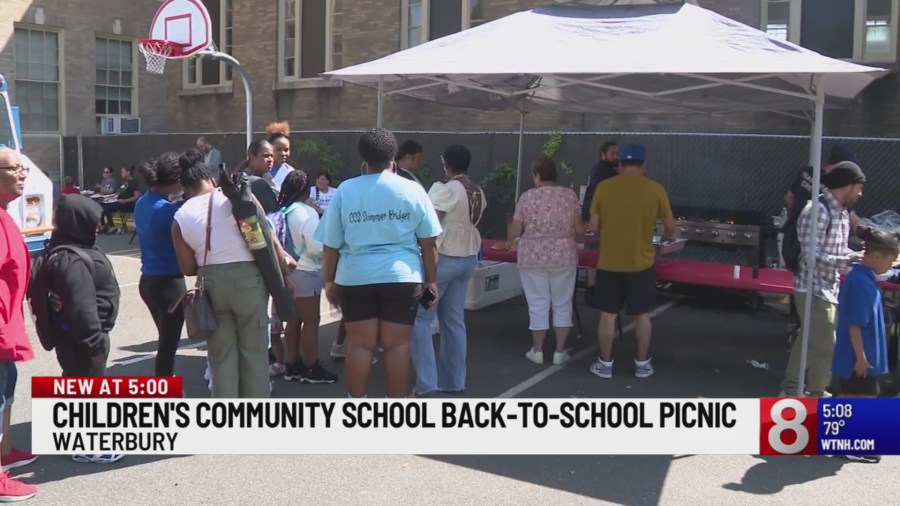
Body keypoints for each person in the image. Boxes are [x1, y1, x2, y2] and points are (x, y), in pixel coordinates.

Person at [315, 128, 442, 398]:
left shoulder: (345, 190)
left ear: (364, 160)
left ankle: (357, 403)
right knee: (397, 345)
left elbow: (330, 244)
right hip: (402, 276)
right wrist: (431, 280)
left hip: (354, 276)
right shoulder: (412, 190)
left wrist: (329, 279)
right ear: (393, 157)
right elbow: (429, 243)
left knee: (360, 345)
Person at [172, 155, 284, 398]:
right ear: (211, 179)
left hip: (211, 285)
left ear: (186, 188)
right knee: (254, 355)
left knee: (221, 358)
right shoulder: (239, 196)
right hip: (249, 281)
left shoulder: (180, 216)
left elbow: (188, 268)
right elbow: (266, 236)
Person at [39, 194, 122, 464]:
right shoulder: (69, 259)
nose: (96, 228)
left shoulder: (72, 247)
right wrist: (95, 342)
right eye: (92, 222)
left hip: (78, 337)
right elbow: (81, 306)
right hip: (83, 338)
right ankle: (91, 447)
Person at [588, 144, 675, 379]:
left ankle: (605, 365)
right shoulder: (655, 189)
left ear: (619, 164)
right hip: (641, 263)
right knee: (642, 314)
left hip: (609, 262)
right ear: (644, 165)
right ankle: (642, 364)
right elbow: (670, 228)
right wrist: (662, 243)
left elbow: (593, 227)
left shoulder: (604, 188)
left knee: (608, 314)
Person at [780, 161, 866, 398]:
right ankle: (818, 393)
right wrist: (848, 262)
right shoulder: (817, 211)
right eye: (858, 188)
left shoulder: (839, 213)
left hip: (827, 288)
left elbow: (836, 250)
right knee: (825, 345)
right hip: (813, 288)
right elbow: (811, 256)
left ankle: (790, 388)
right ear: (846, 186)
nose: (860, 194)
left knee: (806, 341)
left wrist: (857, 256)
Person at [410, 145, 485, 396]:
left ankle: (427, 383)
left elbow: (431, 221)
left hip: (442, 264)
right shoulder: (477, 191)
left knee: (422, 319)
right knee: (453, 320)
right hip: (467, 260)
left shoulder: (447, 189)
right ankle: (454, 381)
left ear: (447, 164)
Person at [831, 227, 897, 464]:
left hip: (858, 354)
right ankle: (852, 445)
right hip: (860, 356)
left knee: (849, 396)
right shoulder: (863, 284)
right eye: (890, 261)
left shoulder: (862, 278)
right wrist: (861, 358)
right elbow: (855, 325)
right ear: (877, 256)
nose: (890, 266)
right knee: (863, 398)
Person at [510, 156, 584, 366]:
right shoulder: (569, 196)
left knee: (537, 303)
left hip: (532, 256)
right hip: (564, 255)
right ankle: (560, 351)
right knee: (562, 303)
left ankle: (538, 350)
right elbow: (580, 229)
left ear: (536, 175)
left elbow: (516, 230)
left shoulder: (526, 197)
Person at [0, 147, 38, 500]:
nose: (24, 173)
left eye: (24, 168)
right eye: (15, 168)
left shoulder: (5, 213)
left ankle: (5, 451)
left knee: (6, 394)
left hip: (7, 326)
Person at [277, 170, 338, 384]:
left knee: (292, 321)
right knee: (311, 321)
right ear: (306, 190)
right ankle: (312, 367)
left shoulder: (282, 211)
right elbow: (315, 246)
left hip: (286, 272)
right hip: (306, 271)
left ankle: (293, 365)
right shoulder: (306, 212)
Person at [135, 153, 187, 377]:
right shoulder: (169, 211)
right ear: (176, 180)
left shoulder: (142, 203)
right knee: (168, 345)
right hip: (170, 284)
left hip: (147, 280)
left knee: (164, 338)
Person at [581, 141, 619, 304]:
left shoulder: (601, 170)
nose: (616, 156)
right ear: (603, 154)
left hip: (596, 217)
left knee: (593, 254)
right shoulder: (606, 172)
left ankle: (593, 289)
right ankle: (596, 290)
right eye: (613, 153)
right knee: (597, 254)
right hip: (599, 219)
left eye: (618, 153)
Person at [98, 166, 141, 234]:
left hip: (127, 204)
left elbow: (137, 196)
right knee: (101, 203)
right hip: (118, 201)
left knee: (106, 206)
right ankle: (103, 225)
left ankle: (112, 226)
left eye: (123, 172)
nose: (121, 174)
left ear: (128, 172)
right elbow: (118, 193)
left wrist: (125, 201)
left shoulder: (134, 182)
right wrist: (110, 198)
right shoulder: (124, 182)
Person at [266, 121, 295, 192]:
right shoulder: (261, 170)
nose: (283, 153)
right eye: (278, 149)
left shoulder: (291, 172)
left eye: (286, 150)